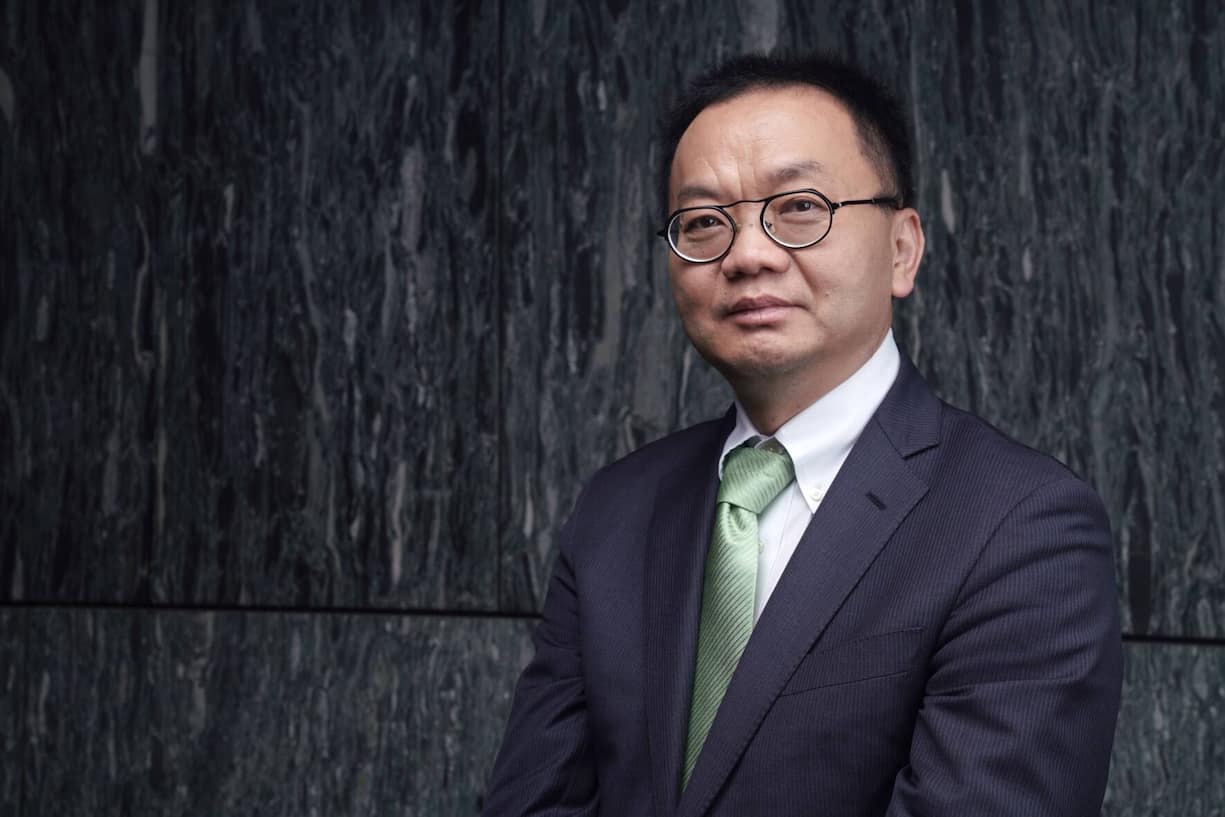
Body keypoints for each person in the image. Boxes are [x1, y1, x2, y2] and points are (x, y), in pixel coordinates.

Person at [482, 53, 1122, 817]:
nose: (747, 254)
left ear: (901, 248)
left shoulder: (1022, 527)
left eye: (798, 207)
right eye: (703, 222)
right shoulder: (616, 510)